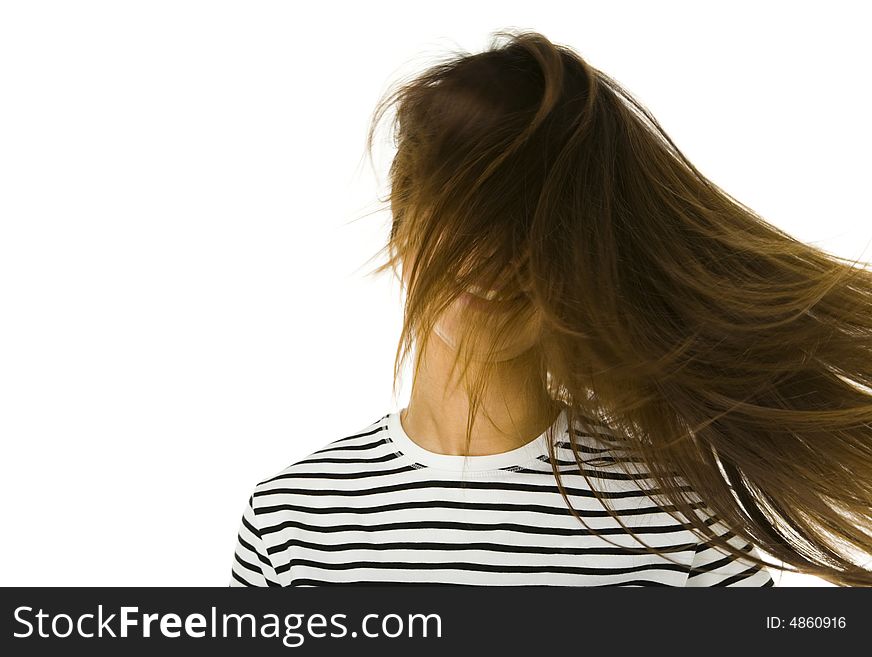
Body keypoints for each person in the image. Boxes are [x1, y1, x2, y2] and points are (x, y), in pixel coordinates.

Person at [230, 29, 872, 587]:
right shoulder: (294, 522)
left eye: (538, 225)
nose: (498, 257)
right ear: (402, 222)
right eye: (468, 209)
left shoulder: (680, 519)